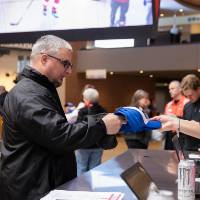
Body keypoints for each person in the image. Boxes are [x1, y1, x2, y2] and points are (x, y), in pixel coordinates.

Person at [0, 35, 124, 200]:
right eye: (65, 63)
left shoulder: (40, 89)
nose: (69, 71)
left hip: (39, 182)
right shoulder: (28, 94)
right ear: (44, 59)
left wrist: (104, 125)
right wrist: (102, 126)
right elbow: (59, 135)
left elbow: (55, 130)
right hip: (32, 188)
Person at [76, 88, 107, 175]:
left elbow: (78, 127)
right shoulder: (103, 111)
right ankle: (92, 188)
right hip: (98, 144)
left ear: (87, 100)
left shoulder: (82, 112)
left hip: (84, 145)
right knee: (95, 169)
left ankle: (81, 187)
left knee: (81, 167)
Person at [164, 80, 189, 150]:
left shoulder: (187, 103)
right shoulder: (168, 104)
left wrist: (175, 118)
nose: (170, 91)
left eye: (172, 88)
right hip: (170, 135)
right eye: (169, 89)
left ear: (180, 89)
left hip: (183, 135)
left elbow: (189, 120)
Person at [179, 74, 200, 151]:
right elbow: (184, 128)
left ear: (198, 89)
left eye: (191, 95)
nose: (188, 98)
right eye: (186, 96)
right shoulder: (187, 106)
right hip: (187, 149)